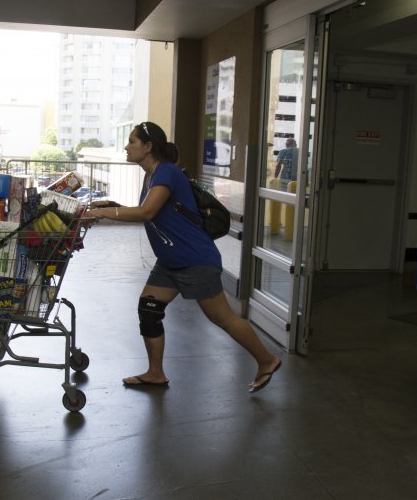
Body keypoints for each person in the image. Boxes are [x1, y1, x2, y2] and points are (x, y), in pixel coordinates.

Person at [83, 121, 283, 392]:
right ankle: (155, 373)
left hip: (194, 260)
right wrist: (114, 207)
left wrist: (101, 213)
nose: (126, 147)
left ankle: (267, 359)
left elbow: (147, 212)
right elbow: (152, 211)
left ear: (149, 146)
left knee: (223, 318)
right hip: (171, 262)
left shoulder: (167, 172)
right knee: (149, 309)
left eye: (132, 141)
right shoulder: (152, 175)